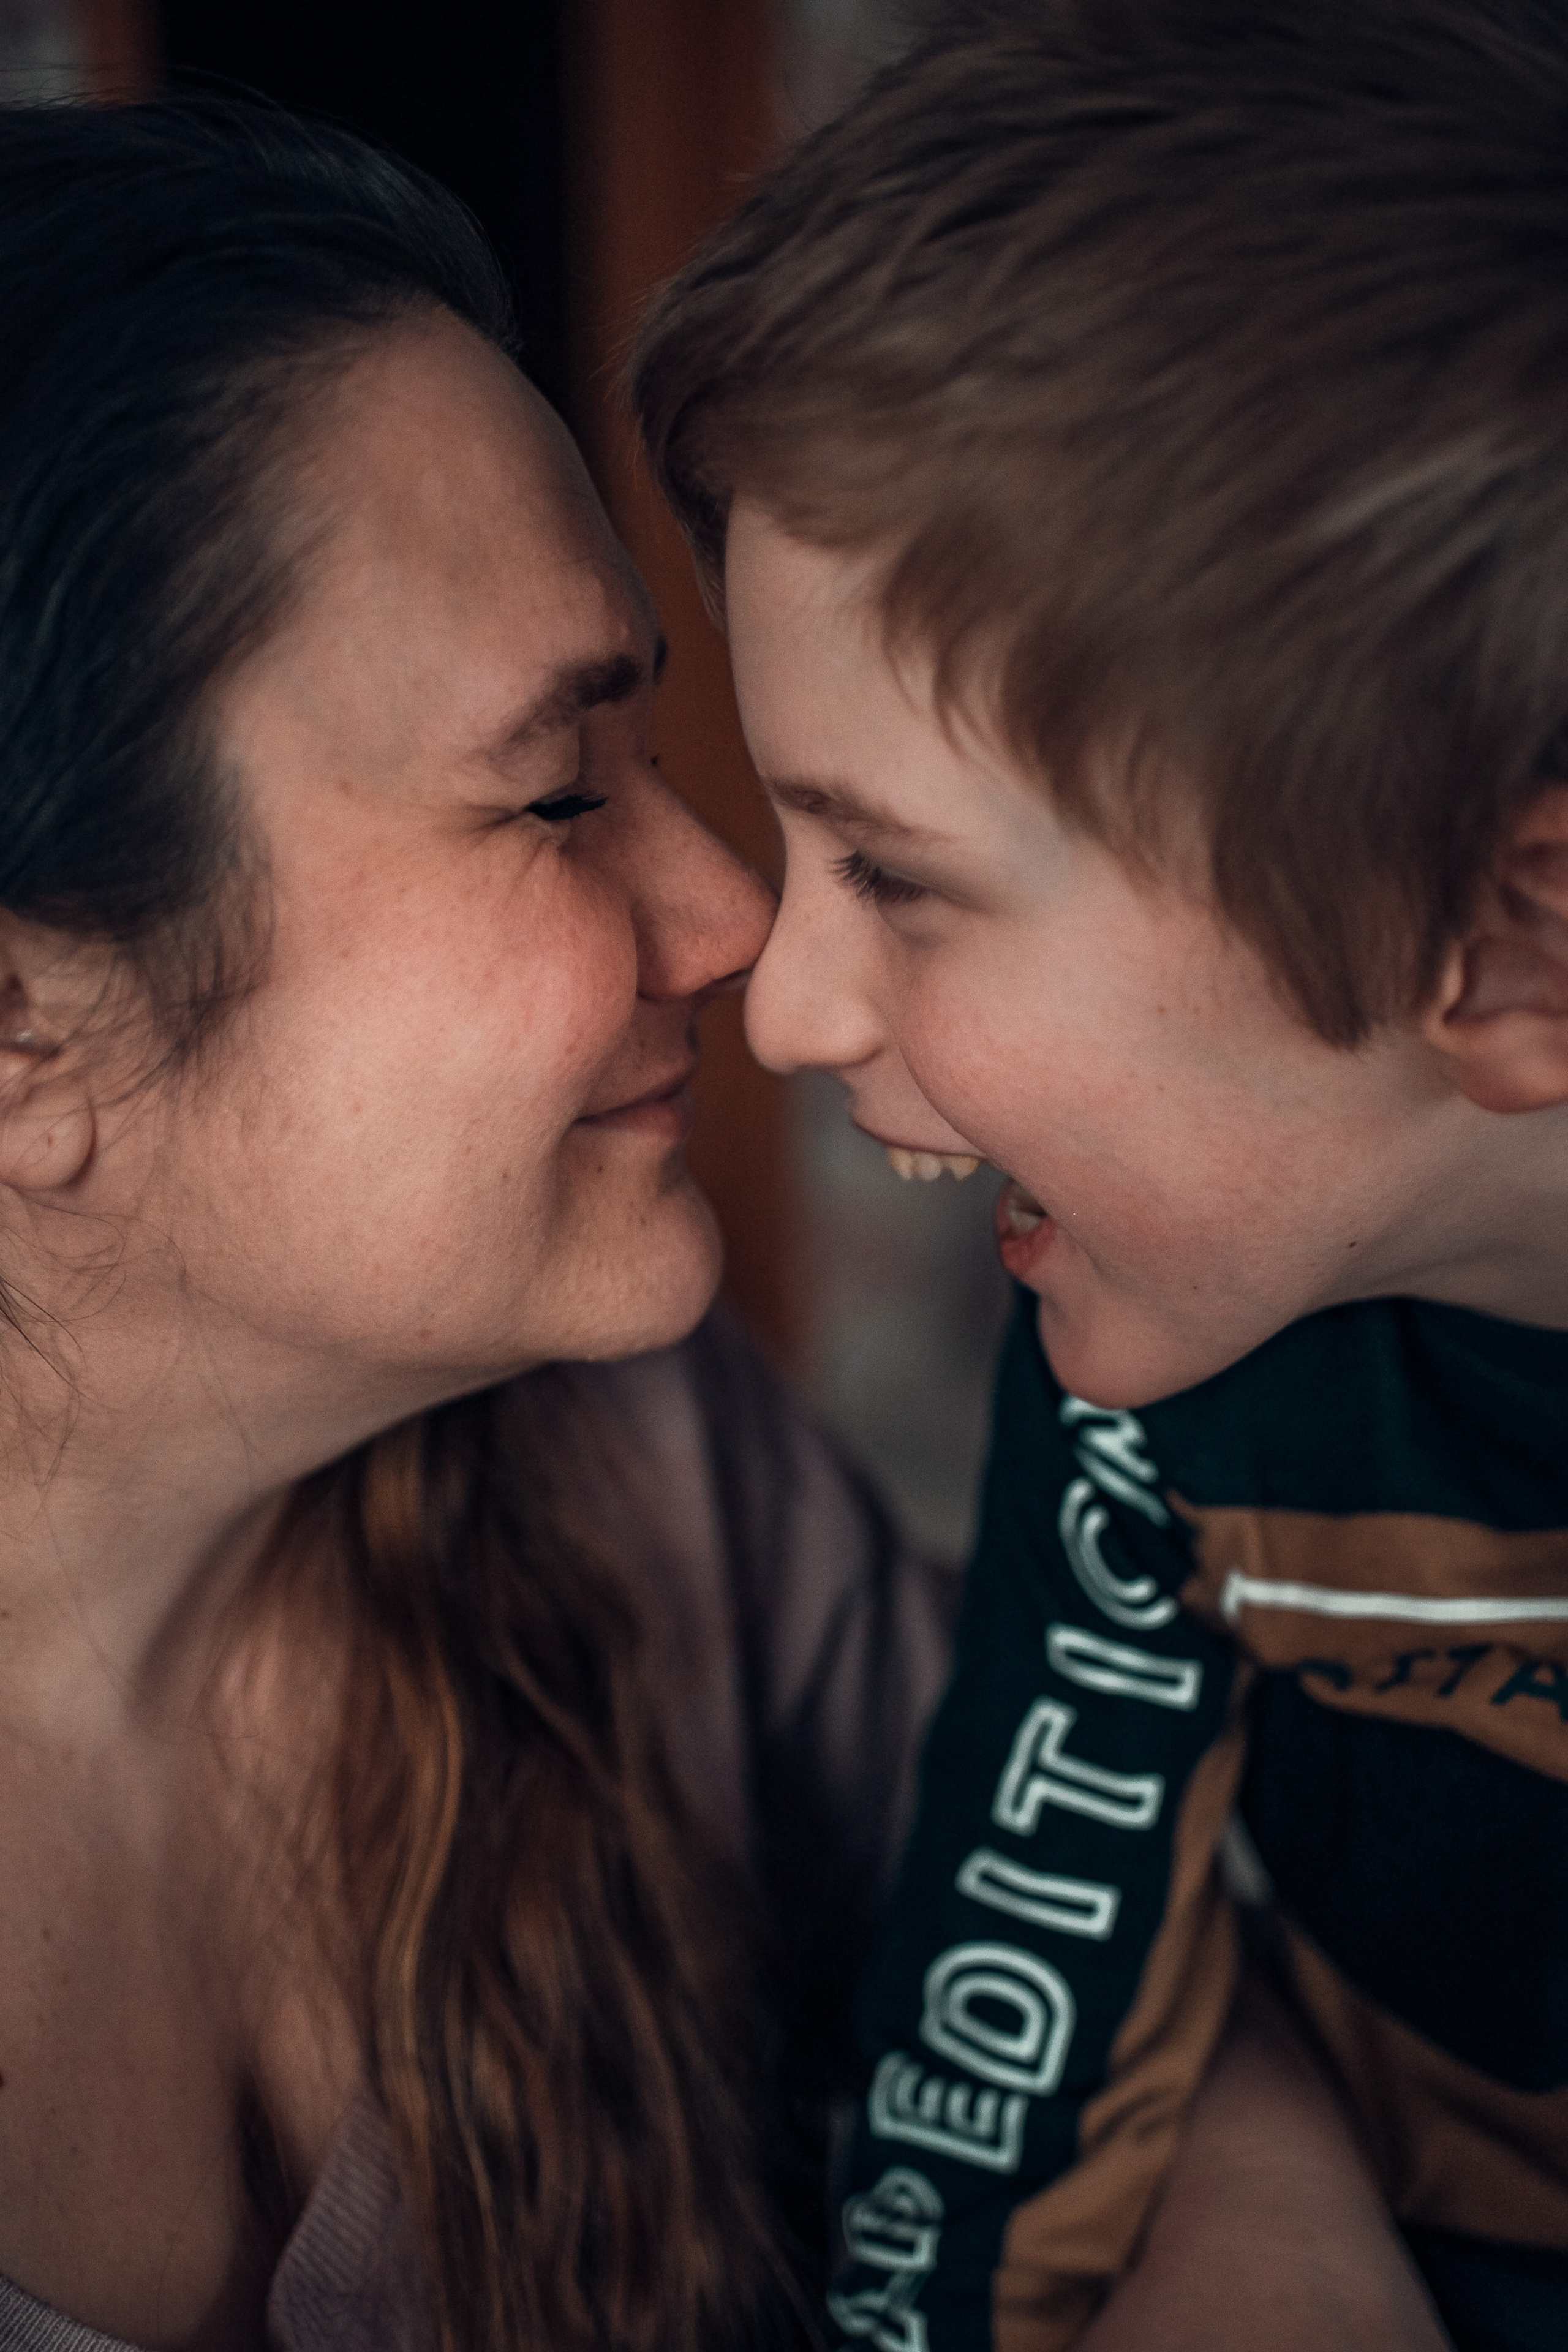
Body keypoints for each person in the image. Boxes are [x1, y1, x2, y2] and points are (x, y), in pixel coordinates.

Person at [630, 4, 1568, 2349]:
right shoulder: (1173, 1339)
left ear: (1512, 945)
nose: (784, 1006)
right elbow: (1002, 2056)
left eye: (900, 879)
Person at [0, 96, 956, 2352]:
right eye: (553, 794)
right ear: (28, 1042)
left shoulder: (636, 1463)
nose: (729, 919)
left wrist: (1260, 2228)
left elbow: (1114, 1933)